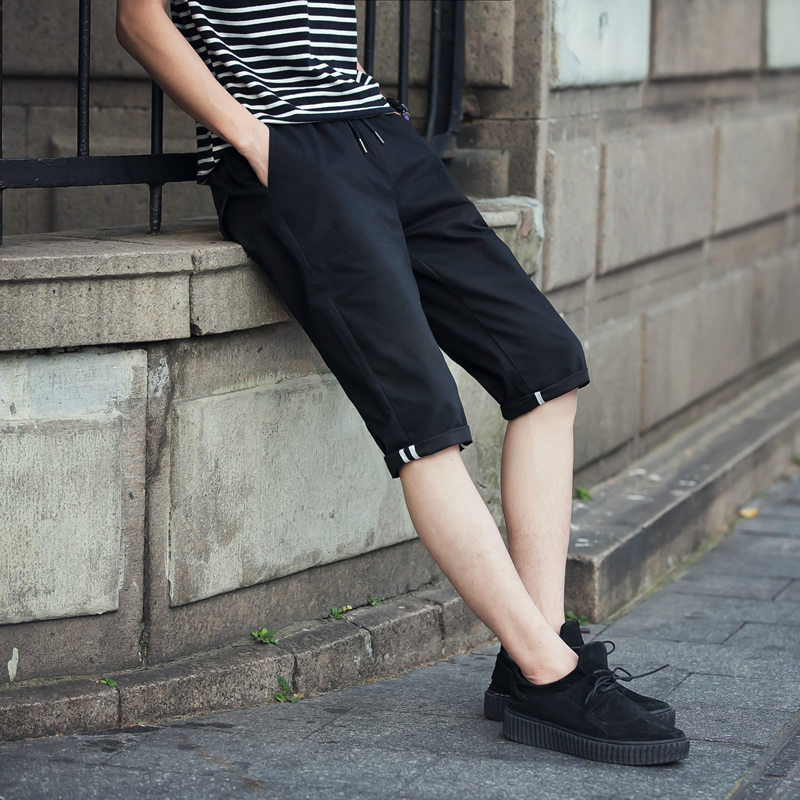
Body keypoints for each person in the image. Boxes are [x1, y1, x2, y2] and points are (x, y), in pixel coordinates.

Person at [116, 0, 688, 765]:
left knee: (548, 365)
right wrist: (251, 138)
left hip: (380, 135)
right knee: (424, 418)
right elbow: (138, 18)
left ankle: (540, 646)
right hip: (287, 151)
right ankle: (549, 674)